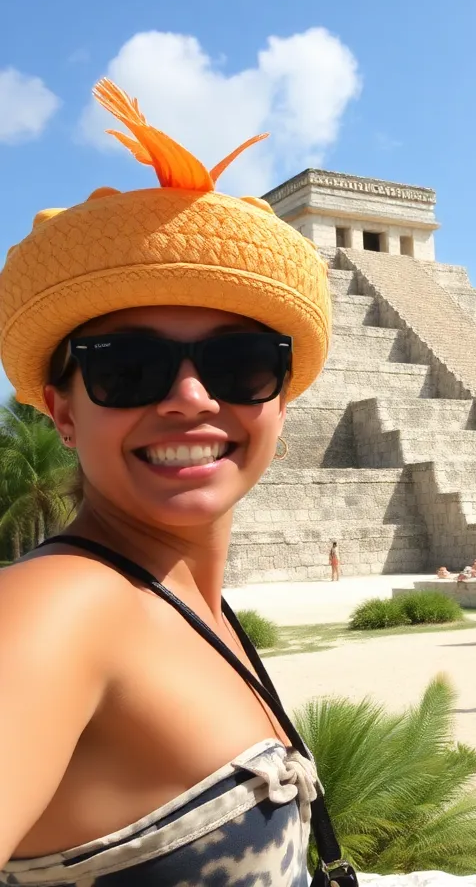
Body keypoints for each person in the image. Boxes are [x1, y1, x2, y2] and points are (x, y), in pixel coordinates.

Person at [0, 81, 352, 884]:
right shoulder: (52, 612)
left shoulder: (191, 603)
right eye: (127, 367)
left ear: (282, 401)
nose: (191, 398)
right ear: (61, 410)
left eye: (242, 364)